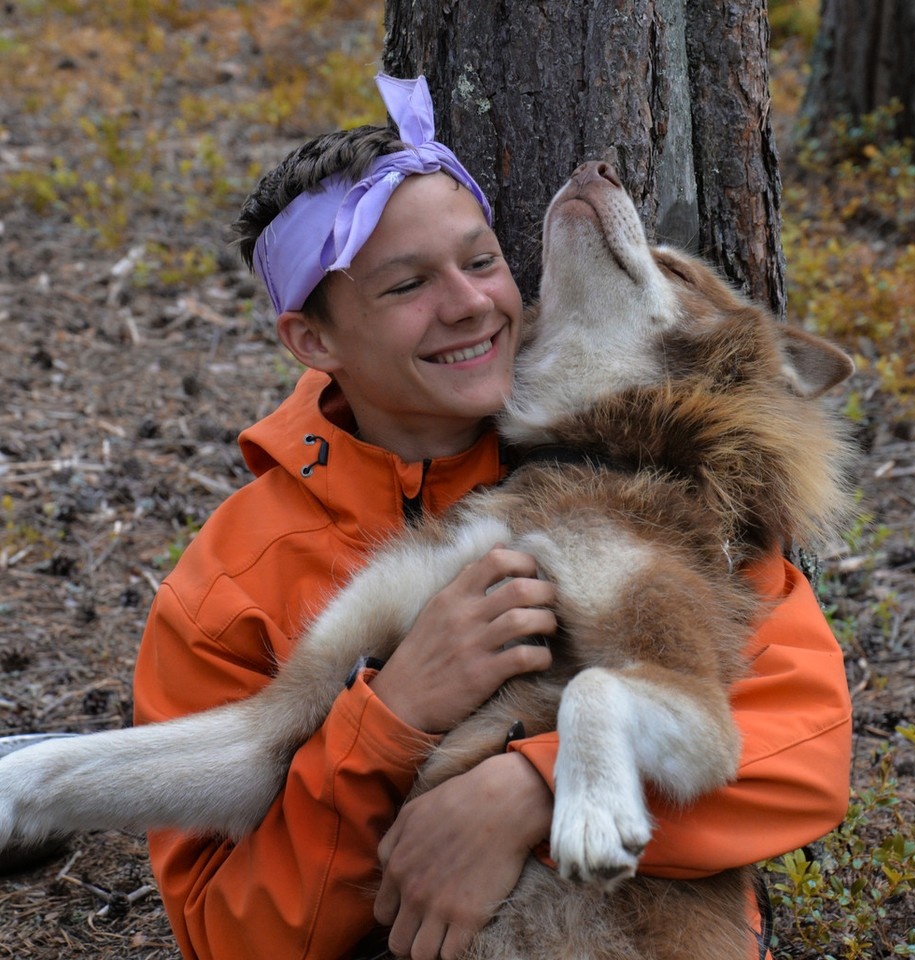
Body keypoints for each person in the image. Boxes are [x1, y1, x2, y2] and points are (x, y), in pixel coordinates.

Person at [133, 74, 853, 960]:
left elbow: (806, 755)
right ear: (313, 341)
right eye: (406, 286)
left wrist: (524, 793)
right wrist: (387, 726)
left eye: (481, 262)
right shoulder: (235, 576)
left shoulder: (651, 484)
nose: (470, 304)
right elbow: (227, 930)